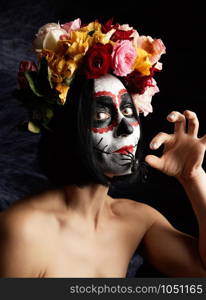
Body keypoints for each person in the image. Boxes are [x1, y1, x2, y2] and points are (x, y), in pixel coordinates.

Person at [0, 18, 206, 278]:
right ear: (67, 127)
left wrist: (194, 178)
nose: (127, 128)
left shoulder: (137, 221)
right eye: (101, 115)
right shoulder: (24, 230)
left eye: (128, 110)